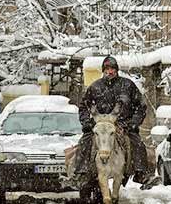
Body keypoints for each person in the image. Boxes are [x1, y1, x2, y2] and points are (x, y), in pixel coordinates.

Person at [62, 55, 162, 191]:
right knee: (85, 142)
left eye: (112, 69)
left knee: (137, 142)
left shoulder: (128, 85)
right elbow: (83, 106)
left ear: (117, 70)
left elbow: (141, 106)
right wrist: (87, 123)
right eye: (107, 69)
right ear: (103, 70)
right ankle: (80, 174)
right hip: (100, 125)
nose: (110, 72)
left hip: (123, 125)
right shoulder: (95, 87)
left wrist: (133, 123)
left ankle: (142, 174)